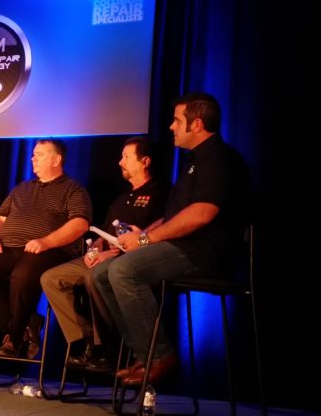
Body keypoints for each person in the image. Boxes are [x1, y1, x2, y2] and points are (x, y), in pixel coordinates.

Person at [92, 92, 251, 386]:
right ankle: (144, 354)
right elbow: (173, 215)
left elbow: (201, 213)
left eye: (177, 120)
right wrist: (142, 235)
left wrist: (144, 242)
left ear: (197, 124)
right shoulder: (194, 162)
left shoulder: (218, 159)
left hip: (207, 253)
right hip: (185, 248)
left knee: (124, 270)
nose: (171, 127)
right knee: (101, 273)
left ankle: (161, 355)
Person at [40, 136, 167, 372]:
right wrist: (93, 250)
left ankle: (103, 348)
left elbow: (159, 230)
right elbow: (103, 233)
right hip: (103, 256)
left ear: (145, 161)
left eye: (126, 157)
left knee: (94, 277)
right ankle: (82, 341)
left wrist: (114, 254)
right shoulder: (121, 198)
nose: (120, 162)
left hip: (130, 260)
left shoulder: (161, 193)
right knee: (50, 278)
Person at [0, 138, 92, 358]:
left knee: (22, 276)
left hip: (48, 251)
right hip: (9, 248)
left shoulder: (73, 189)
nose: (33, 158)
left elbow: (80, 224)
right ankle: (27, 325)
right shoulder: (22, 188)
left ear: (57, 159)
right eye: (33, 154)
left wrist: (46, 241)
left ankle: (13, 339)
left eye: (40, 154)